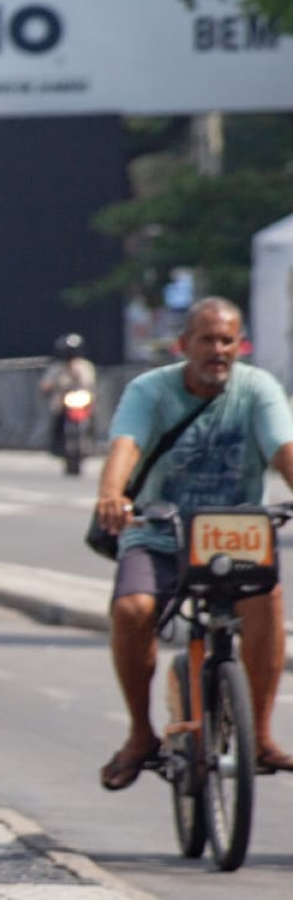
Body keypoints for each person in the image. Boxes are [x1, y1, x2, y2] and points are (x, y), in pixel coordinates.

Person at [93, 298, 293, 790]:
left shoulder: (258, 388)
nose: (218, 350)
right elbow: (127, 445)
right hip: (161, 532)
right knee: (132, 610)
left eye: (227, 340)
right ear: (184, 346)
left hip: (235, 533)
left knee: (266, 601)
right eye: (206, 340)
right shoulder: (150, 390)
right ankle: (141, 734)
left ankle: (261, 735)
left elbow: (283, 450)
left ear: (239, 346)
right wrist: (112, 495)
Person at [40, 333, 99, 459]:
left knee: (93, 414)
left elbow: (90, 382)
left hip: (81, 398)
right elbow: (46, 384)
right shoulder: (56, 368)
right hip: (63, 400)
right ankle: (56, 443)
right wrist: (50, 386)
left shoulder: (84, 366)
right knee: (57, 414)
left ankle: (92, 439)